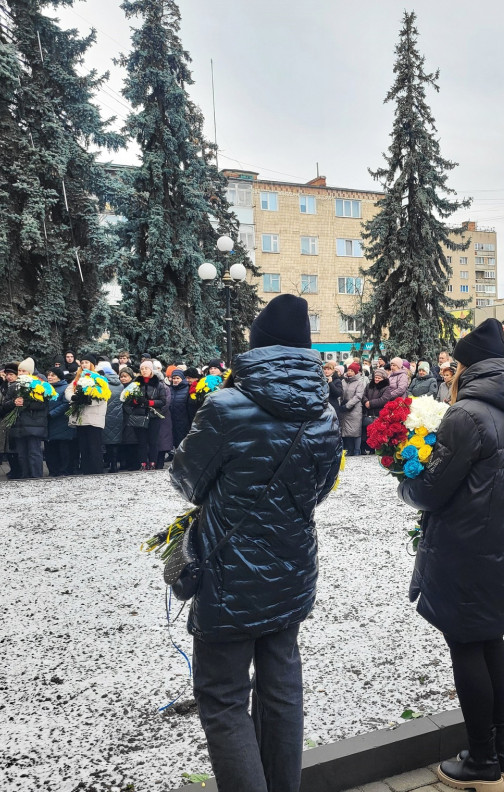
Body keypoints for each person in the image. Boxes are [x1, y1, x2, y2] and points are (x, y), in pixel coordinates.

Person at [171, 294, 341, 792]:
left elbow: (188, 482)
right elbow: (320, 491)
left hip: (229, 570)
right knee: (282, 689)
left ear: (257, 348)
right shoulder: (324, 414)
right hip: (292, 567)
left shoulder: (226, 406)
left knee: (222, 695)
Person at [397, 318, 504, 792]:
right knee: (490, 638)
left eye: (455, 364)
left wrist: (405, 476)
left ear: (468, 366)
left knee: (466, 643)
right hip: (500, 542)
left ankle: (481, 762)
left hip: (464, 545)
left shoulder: (468, 414)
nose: (450, 372)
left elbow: (432, 490)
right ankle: (503, 756)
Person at [0, 361, 48, 479]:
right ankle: (25, 475)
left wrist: (26, 403)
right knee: (22, 454)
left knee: (34, 453)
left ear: (30, 372)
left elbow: (43, 405)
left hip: (34, 425)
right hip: (18, 425)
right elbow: (5, 404)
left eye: (24, 371)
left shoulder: (38, 385)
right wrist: (14, 403)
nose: (21, 373)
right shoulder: (14, 386)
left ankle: (36, 476)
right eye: (20, 371)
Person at [65, 353, 109, 475]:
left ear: (92, 365)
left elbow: (103, 396)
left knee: (94, 446)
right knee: (83, 446)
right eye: (82, 363)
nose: (84, 365)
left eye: (87, 363)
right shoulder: (77, 378)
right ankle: (86, 470)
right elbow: (68, 391)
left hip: (94, 416)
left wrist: (88, 400)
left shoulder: (98, 378)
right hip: (81, 416)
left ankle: (96, 470)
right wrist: (74, 397)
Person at [126, 360, 168, 470]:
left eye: (146, 368)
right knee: (141, 441)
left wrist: (149, 403)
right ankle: (143, 463)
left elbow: (163, 401)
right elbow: (128, 400)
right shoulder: (136, 384)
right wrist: (136, 402)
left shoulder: (158, 384)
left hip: (153, 415)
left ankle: (153, 462)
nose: (144, 370)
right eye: (142, 369)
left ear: (151, 370)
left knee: (153, 441)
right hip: (139, 415)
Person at [45, 369, 74, 477]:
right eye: (48, 374)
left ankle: (63, 470)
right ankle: (53, 470)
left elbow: (66, 404)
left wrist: (51, 414)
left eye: (53, 375)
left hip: (61, 422)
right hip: (49, 423)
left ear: (59, 377)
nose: (50, 377)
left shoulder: (65, 388)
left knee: (63, 449)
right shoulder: (45, 387)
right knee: (50, 450)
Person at [338, 362, 366, 456]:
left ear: (356, 372)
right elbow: (340, 394)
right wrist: (340, 404)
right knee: (346, 430)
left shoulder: (359, 382)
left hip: (355, 409)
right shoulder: (343, 381)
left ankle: (357, 450)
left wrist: (348, 405)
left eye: (352, 371)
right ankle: (349, 449)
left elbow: (358, 396)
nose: (349, 372)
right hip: (344, 408)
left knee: (355, 430)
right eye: (348, 370)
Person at [168, 369, 191, 450]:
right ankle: (172, 454)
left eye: (177, 378)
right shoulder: (169, 389)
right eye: (174, 378)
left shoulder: (187, 389)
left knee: (181, 440)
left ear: (182, 379)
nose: (175, 380)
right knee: (171, 439)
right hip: (171, 419)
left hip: (183, 420)